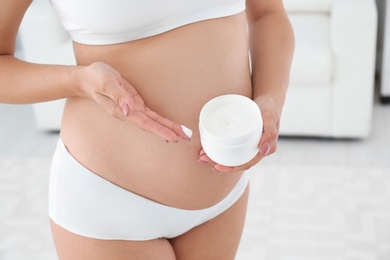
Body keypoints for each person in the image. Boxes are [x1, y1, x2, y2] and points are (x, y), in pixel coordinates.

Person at [0, 0, 294, 259]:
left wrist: (270, 100)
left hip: (222, 202)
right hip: (111, 206)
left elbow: (268, 13)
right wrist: (78, 80)